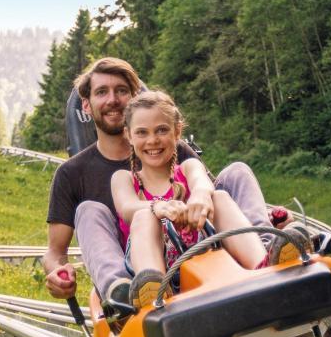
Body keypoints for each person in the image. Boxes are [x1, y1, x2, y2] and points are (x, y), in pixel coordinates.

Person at [44, 57, 300, 303]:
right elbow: (55, 253)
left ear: (134, 97)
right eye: (102, 92)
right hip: (138, 260)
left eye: (121, 90)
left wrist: (266, 213)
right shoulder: (74, 174)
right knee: (90, 209)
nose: (112, 100)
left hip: (199, 246)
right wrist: (56, 272)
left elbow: (210, 193)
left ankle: (266, 249)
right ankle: (122, 290)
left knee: (236, 173)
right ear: (86, 105)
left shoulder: (175, 152)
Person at [112, 91, 273, 308]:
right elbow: (127, 207)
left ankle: (262, 265)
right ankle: (153, 291)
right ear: (129, 135)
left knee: (219, 197)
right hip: (155, 266)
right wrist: (158, 206)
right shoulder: (123, 178)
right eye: (142, 132)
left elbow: (202, 182)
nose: (152, 140)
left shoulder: (188, 167)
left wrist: (199, 196)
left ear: (177, 131)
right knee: (144, 215)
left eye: (162, 130)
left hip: (202, 254)